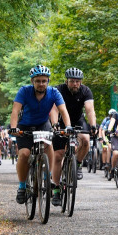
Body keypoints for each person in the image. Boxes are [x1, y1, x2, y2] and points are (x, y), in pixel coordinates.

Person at [9, 65, 72, 207]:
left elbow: (63, 110)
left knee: (48, 144)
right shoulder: (24, 91)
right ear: (32, 81)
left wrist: (67, 127)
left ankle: (47, 176)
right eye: (38, 81)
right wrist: (14, 128)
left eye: (44, 81)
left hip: (43, 124)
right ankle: (22, 186)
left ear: (48, 81)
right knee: (24, 154)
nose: (41, 84)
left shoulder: (54, 92)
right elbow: (15, 110)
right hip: (24, 126)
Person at [52, 68, 97, 180]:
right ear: (66, 81)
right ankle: (56, 183)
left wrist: (93, 126)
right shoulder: (58, 90)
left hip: (77, 119)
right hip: (61, 121)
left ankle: (77, 164)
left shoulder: (86, 91)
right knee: (59, 153)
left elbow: (90, 110)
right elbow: (54, 109)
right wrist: (55, 123)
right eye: (72, 81)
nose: (75, 84)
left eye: (78, 81)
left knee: (86, 140)